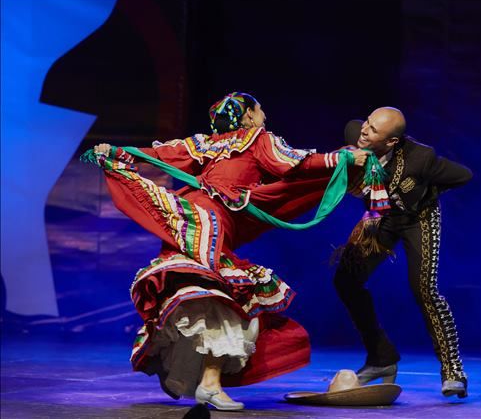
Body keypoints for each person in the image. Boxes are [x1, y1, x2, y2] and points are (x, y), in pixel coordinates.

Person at [89, 92, 369, 410]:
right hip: (209, 222)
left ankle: (201, 379)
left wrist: (119, 151)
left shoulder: (206, 143)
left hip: (187, 218)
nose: (264, 114)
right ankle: (207, 382)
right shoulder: (258, 139)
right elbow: (292, 164)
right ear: (248, 116)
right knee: (225, 295)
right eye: (259, 108)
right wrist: (340, 159)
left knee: (201, 292)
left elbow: (164, 153)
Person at [334, 107, 472, 398]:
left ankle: (453, 370)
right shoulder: (354, 136)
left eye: (372, 130)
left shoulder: (421, 158)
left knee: (424, 289)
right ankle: (381, 359)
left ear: (391, 141)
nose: (364, 131)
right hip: (380, 219)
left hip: (417, 219)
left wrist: (426, 192)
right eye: (367, 123)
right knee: (346, 279)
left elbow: (463, 175)